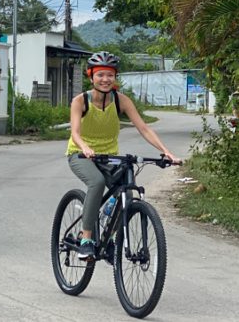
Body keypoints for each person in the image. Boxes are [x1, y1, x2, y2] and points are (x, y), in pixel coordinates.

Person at [66, 50, 182, 260]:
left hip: (109, 157)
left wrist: (166, 152)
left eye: (110, 75)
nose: (105, 79)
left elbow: (144, 129)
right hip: (80, 154)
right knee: (97, 182)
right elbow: (75, 133)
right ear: (91, 76)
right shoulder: (80, 101)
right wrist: (84, 147)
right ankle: (86, 239)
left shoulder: (122, 101)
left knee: (127, 194)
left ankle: (108, 240)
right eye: (100, 74)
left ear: (115, 77)